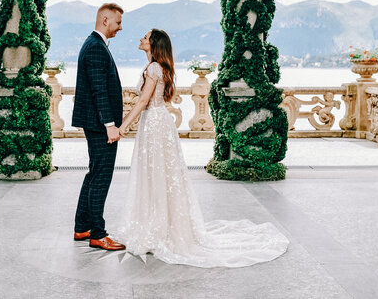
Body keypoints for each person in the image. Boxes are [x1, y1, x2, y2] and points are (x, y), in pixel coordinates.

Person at [112, 29, 289, 267]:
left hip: (154, 124)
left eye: (145, 36)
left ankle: (157, 227)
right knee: (161, 174)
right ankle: (161, 225)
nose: (141, 38)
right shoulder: (157, 68)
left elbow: (143, 101)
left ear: (154, 44)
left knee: (155, 174)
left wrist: (123, 126)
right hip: (158, 122)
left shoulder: (153, 68)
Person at [72, 3, 126, 251]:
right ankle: (98, 234)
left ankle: (82, 227)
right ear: (105, 20)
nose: (120, 28)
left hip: (94, 123)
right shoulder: (95, 47)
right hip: (99, 125)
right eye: (117, 23)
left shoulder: (94, 44)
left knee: (94, 174)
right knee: (101, 177)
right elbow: (99, 90)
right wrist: (110, 125)